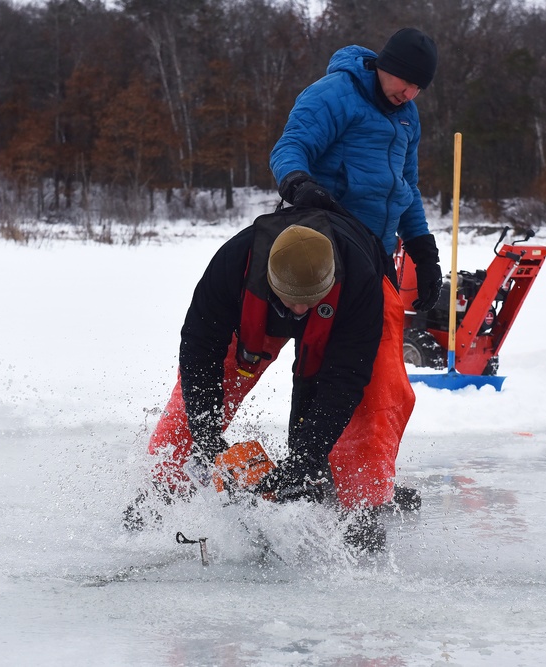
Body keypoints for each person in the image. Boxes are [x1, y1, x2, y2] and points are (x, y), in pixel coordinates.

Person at [130, 204, 417, 550]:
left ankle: (362, 514)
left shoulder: (359, 283)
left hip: (352, 309)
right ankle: (157, 493)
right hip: (257, 310)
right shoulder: (232, 265)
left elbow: (344, 382)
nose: (300, 311)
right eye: (293, 301)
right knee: (195, 402)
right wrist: (205, 434)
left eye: (309, 302)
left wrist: (306, 458)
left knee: (375, 404)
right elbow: (199, 352)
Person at [270, 27, 443, 313]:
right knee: (330, 353)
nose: (410, 94)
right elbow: (290, 146)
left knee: (380, 348)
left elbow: (407, 186)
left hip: (379, 254)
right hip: (327, 252)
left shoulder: (408, 116)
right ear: (389, 66)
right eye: (408, 81)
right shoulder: (334, 93)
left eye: (419, 88)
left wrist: (424, 255)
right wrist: (299, 184)